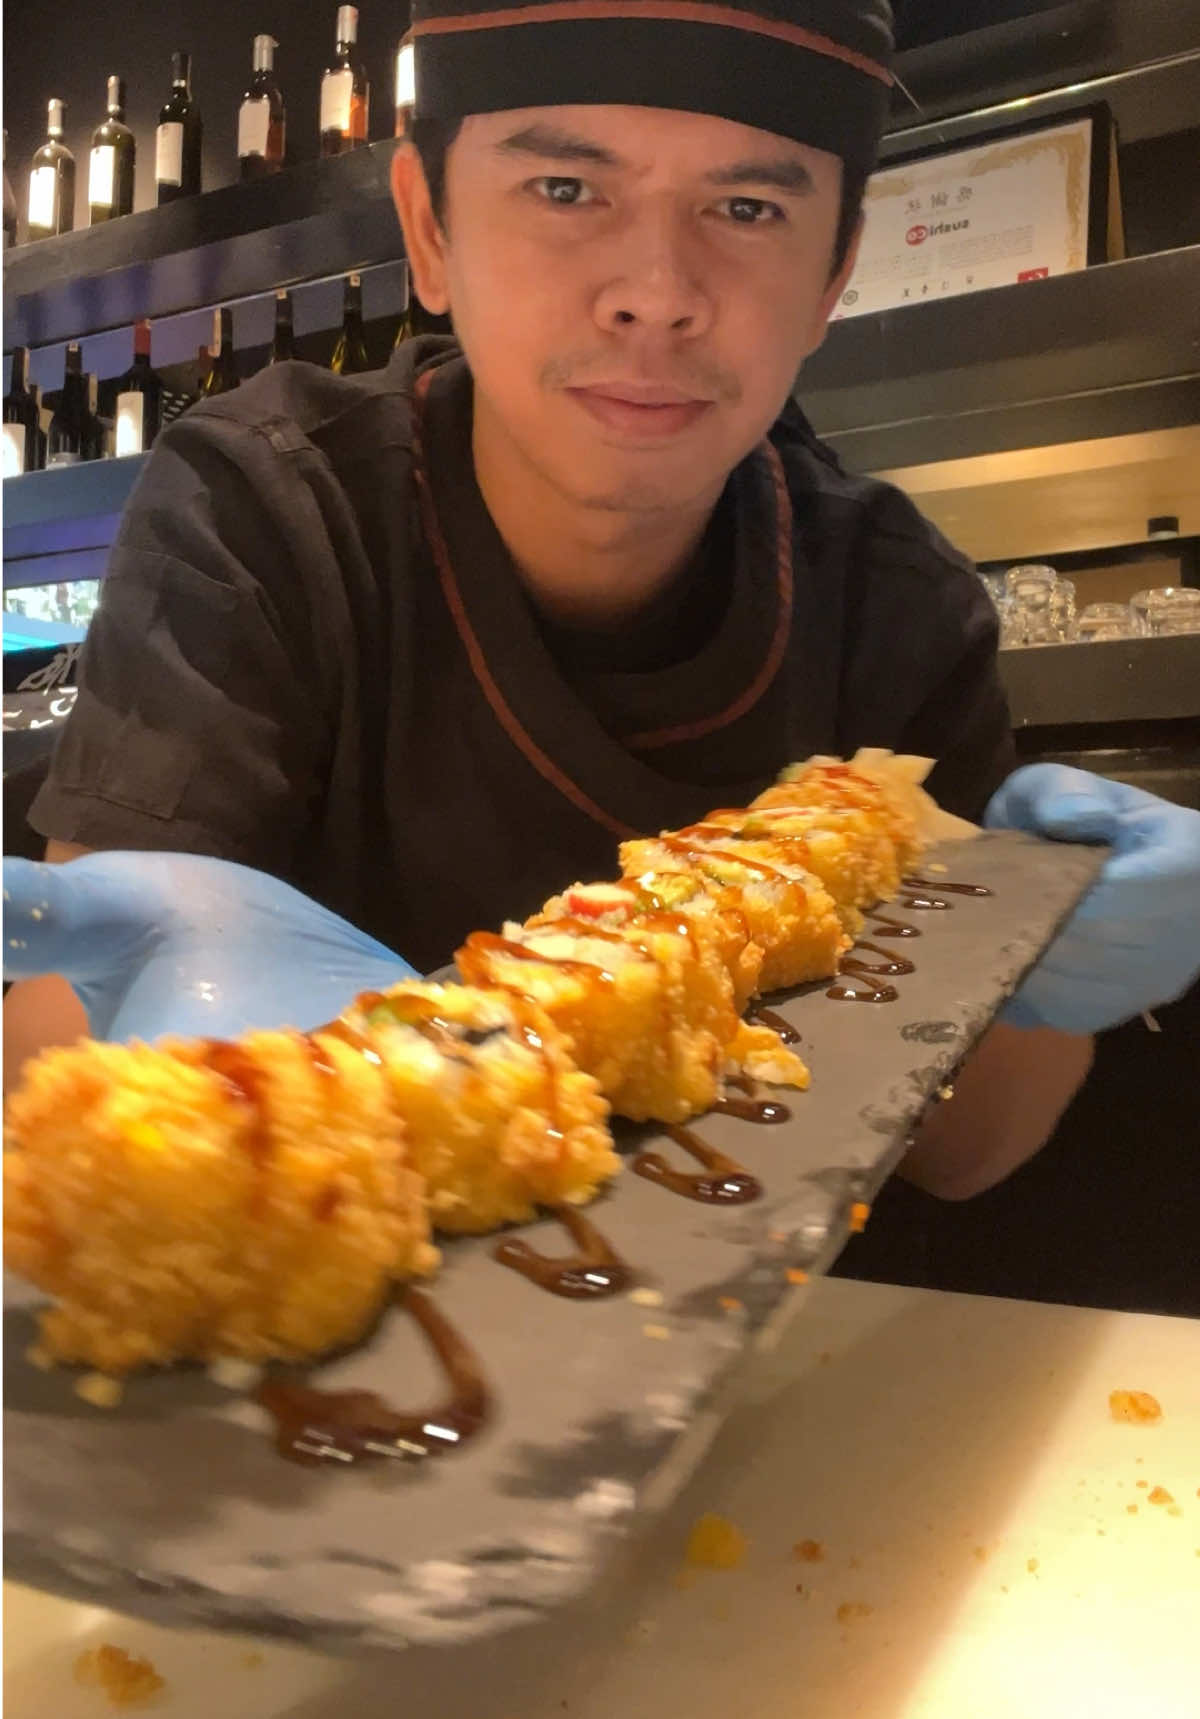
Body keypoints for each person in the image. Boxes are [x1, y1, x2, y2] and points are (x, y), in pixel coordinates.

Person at [5, 0, 1199, 1206]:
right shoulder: (265, 512)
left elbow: (967, 1152)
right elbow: (61, 1077)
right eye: (567, 191)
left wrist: (1035, 959)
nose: (656, 293)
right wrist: (174, 1022)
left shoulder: (892, 602)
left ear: (836, 271)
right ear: (429, 227)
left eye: (748, 209)